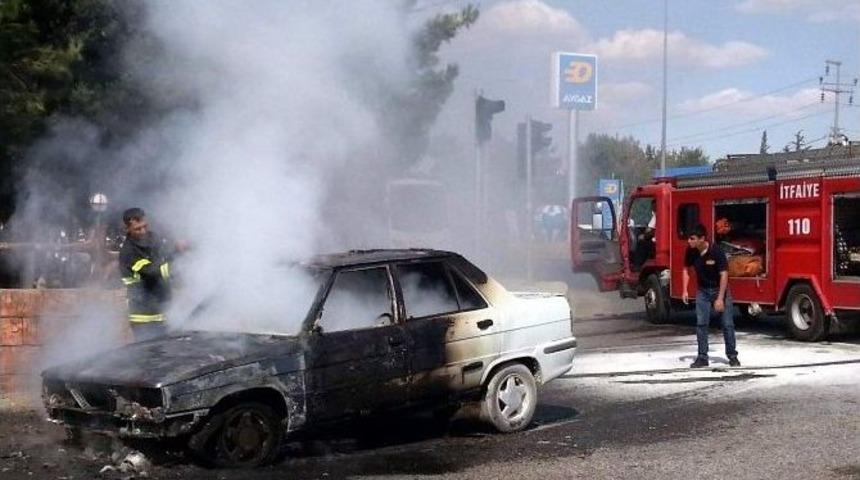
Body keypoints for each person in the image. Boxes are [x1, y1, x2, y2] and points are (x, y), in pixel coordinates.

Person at [682, 223, 740, 368]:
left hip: (719, 290)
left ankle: (732, 356)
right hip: (703, 291)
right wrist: (685, 289)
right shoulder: (691, 252)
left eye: (692, 239)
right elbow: (686, 270)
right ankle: (702, 357)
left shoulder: (717, 251)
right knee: (701, 324)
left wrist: (720, 298)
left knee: (727, 324)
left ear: (702, 239)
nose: (689, 242)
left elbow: (724, 275)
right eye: (688, 239)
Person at [118, 208, 173, 342]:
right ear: (127, 229)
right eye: (137, 229)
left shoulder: (153, 238)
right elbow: (153, 272)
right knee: (149, 359)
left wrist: (177, 250)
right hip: (143, 318)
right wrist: (180, 266)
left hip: (162, 313)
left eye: (145, 227)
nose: (143, 232)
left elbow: (167, 254)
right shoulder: (128, 252)